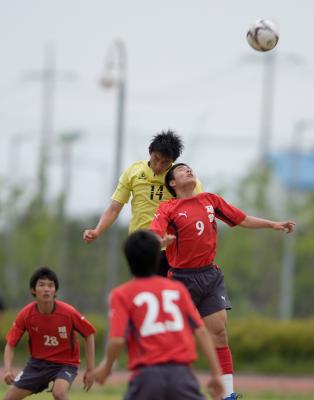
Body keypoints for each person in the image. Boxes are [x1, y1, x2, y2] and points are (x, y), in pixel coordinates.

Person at [150, 163, 296, 400]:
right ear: (172, 183)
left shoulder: (210, 200)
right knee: (174, 337)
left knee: (219, 333)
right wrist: (162, 242)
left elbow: (241, 219)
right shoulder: (168, 207)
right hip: (180, 280)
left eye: (190, 168)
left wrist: (273, 224)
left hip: (209, 277)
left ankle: (226, 394)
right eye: (181, 170)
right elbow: (154, 235)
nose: (188, 171)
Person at [93, 229, 224, 400]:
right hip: (182, 375)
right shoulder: (177, 289)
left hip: (146, 376)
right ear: (157, 258)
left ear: (127, 259)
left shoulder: (122, 294)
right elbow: (201, 332)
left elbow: (117, 340)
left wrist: (106, 368)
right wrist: (216, 374)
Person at [83, 129, 202, 276]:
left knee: (167, 291)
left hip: (171, 246)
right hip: (141, 245)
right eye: (156, 159)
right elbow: (114, 208)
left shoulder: (182, 178)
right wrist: (97, 230)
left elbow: (198, 211)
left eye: (165, 163)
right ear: (150, 152)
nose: (159, 166)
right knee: (144, 289)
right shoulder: (133, 172)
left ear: (173, 162)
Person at [3, 267, 96, 400]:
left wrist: (91, 369)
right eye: (41, 285)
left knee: (59, 393)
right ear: (33, 290)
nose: (46, 289)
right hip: (37, 364)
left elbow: (89, 333)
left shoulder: (68, 312)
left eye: (50, 285)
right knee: (9, 397)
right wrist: (7, 370)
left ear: (55, 290)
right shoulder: (26, 314)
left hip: (66, 364)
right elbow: (10, 344)